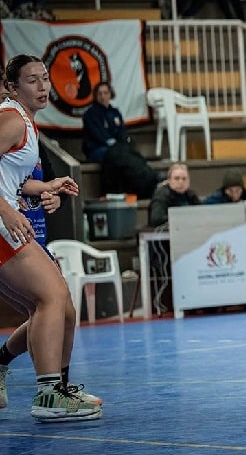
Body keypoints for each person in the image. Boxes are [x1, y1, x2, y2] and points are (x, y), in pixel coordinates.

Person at [0, 54, 102, 422]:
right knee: (52, 299)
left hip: (8, 222)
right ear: (13, 88)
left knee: (63, 309)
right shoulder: (12, 119)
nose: (43, 86)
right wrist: (7, 210)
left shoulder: (26, 121)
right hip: (3, 225)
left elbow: (13, 180)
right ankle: (49, 395)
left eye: (45, 78)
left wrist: (47, 186)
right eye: (33, 80)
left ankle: (56, 387)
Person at [82, 82, 160, 199]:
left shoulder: (115, 112)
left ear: (110, 94)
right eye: (100, 94)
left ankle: (149, 179)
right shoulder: (90, 114)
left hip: (117, 149)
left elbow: (122, 133)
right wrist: (114, 144)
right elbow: (98, 135)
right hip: (98, 149)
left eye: (105, 93)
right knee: (120, 156)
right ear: (95, 95)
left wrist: (121, 144)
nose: (103, 96)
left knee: (132, 154)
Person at [148, 163, 200, 227]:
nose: (181, 182)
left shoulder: (191, 195)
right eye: (176, 178)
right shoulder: (161, 196)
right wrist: (182, 218)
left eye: (184, 179)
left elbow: (202, 214)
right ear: (169, 180)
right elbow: (156, 219)